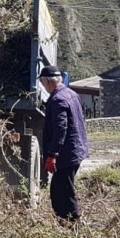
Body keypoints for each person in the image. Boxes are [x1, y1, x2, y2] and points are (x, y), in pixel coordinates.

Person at [39, 66, 89, 221]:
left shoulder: (57, 100)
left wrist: (52, 155)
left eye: (42, 82)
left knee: (62, 193)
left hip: (66, 155)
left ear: (47, 81)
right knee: (61, 190)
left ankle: (72, 225)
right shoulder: (71, 94)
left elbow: (61, 128)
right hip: (75, 151)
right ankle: (67, 223)